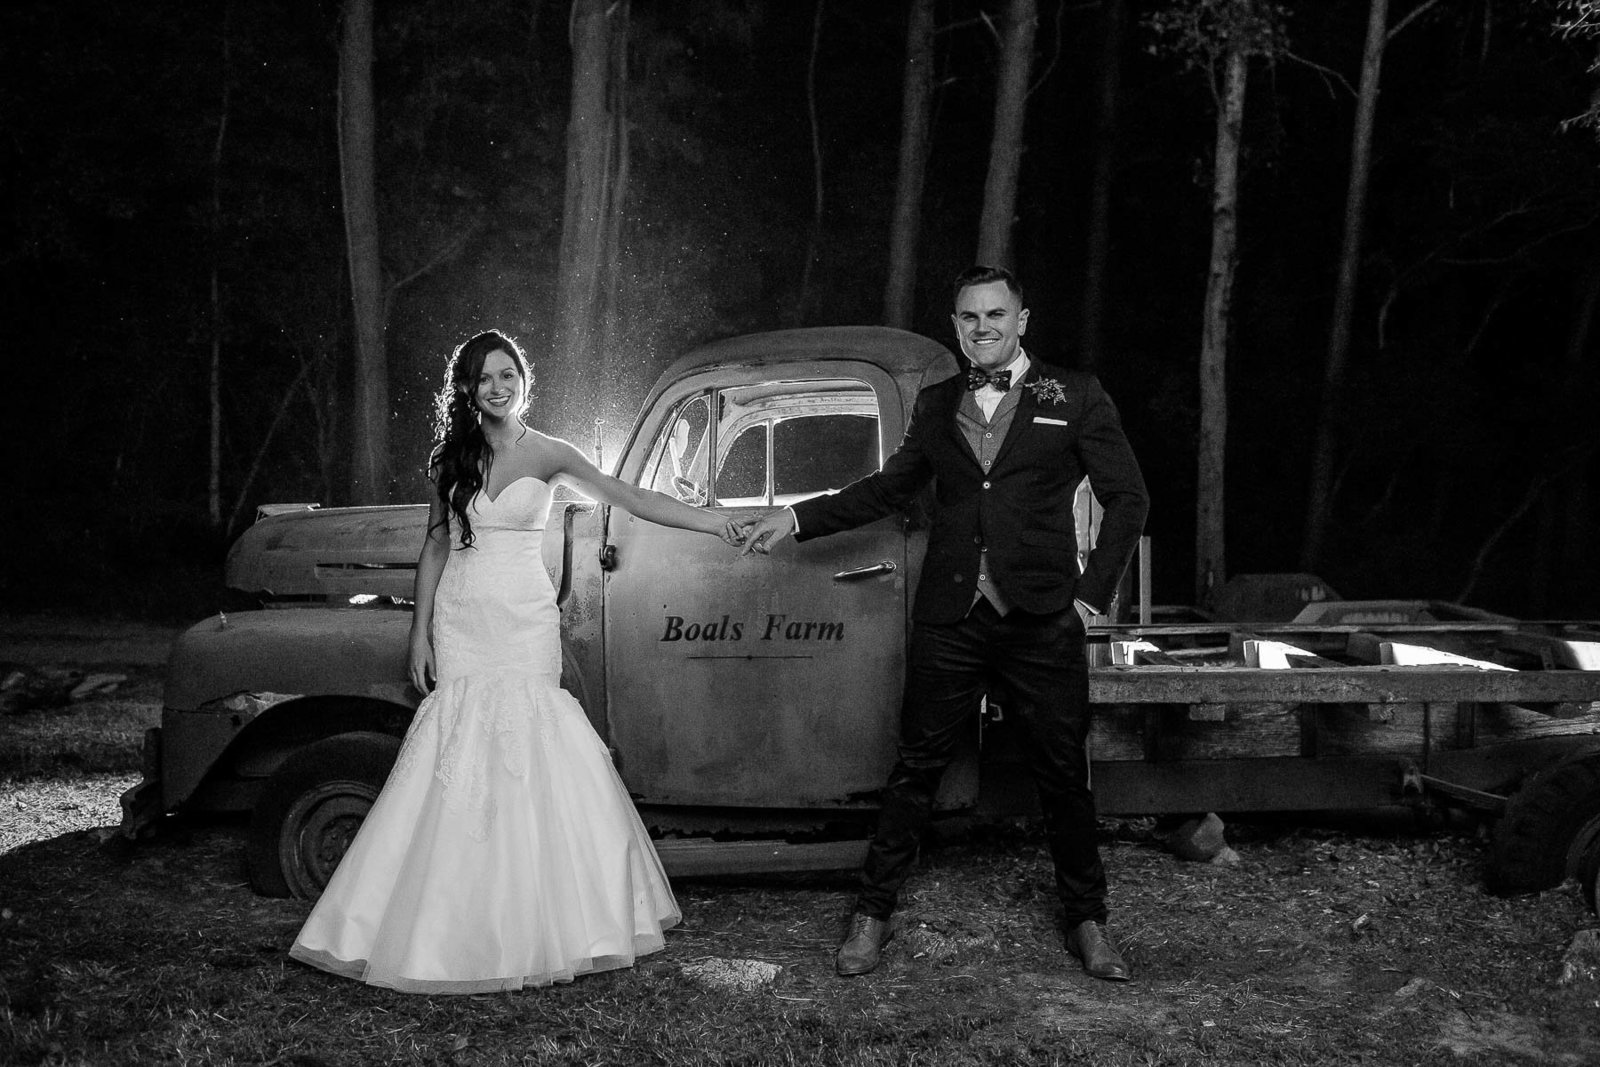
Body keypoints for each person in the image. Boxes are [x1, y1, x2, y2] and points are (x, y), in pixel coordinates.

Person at [291, 330, 744, 994]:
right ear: (468, 390)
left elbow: (633, 497)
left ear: (524, 380)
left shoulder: (551, 453)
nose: (497, 387)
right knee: (459, 752)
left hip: (526, 619)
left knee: (533, 746)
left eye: (507, 375)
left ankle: (540, 918)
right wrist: (419, 633)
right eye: (483, 379)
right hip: (465, 616)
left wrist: (714, 522)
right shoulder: (451, 458)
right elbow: (436, 545)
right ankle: (446, 924)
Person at [741, 265, 1149, 981]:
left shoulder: (1074, 395)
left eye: (995, 315)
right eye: (968, 318)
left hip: (1042, 616)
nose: (982, 328)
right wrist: (797, 515)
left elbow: (1129, 498)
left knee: (1061, 774)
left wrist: (1089, 597)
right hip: (950, 615)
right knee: (915, 768)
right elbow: (888, 488)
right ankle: (871, 914)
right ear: (955, 326)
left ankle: (1089, 920)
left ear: (1022, 319)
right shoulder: (935, 404)